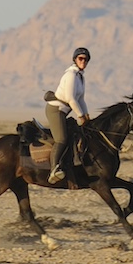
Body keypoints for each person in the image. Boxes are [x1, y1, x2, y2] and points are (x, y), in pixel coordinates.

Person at [46, 46, 91, 186]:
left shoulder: (80, 77)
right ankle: (54, 169)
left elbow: (81, 99)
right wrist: (80, 116)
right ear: (75, 59)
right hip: (56, 110)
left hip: (65, 111)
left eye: (86, 59)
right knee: (62, 139)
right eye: (81, 58)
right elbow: (71, 99)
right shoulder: (71, 75)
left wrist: (87, 116)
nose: (83, 61)